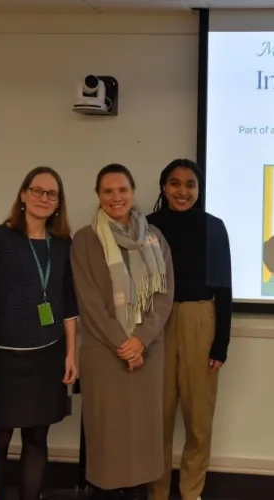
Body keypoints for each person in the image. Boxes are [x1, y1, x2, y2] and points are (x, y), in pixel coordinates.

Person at [71, 163, 175, 499]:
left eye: (123, 190)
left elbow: (164, 295)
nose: (116, 197)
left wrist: (140, 341)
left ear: (132, 192)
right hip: (105, 355)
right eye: (108, 191)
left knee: (143, 439)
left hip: (149, 352)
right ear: (98, 196)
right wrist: (124, 344)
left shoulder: (155, 238)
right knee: (108, 441)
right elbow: (89, 302)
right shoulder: (85, 240)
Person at [0, 167, 79, 500]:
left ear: (58, 203)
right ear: (23, 195)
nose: (43, 198)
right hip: (3, 356)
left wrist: (71, 354)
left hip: (48, 355)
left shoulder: (63, 244)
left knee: (37, 439)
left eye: (52, 194)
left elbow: (67, 302)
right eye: (37, 191)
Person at [146, 159, 232, 500]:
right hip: (156, 323)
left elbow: (224, 287)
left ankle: (192, 491)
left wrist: (220, 344)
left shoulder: (214, 227)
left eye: (190, 185)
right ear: (164, 187)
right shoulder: (147, 227)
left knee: (198, 419)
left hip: (201, 321)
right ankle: (157, 491)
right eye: (175, 183)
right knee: (158, 418)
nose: (182, 191)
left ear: (199, 189)